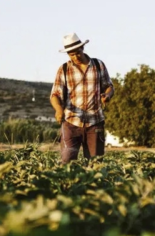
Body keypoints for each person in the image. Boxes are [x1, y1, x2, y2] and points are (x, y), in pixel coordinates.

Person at [49, 33, 114, 163]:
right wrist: (58, 109)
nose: (75, 56)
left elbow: (109, 86)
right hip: (71, 122)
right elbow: (55, 95)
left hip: (95, 122)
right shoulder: (64, 69)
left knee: (95, 164)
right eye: (71, 54)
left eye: (77, 52)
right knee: (67, 162)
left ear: (82, 48)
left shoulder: (98, 65)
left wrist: (107, 96)